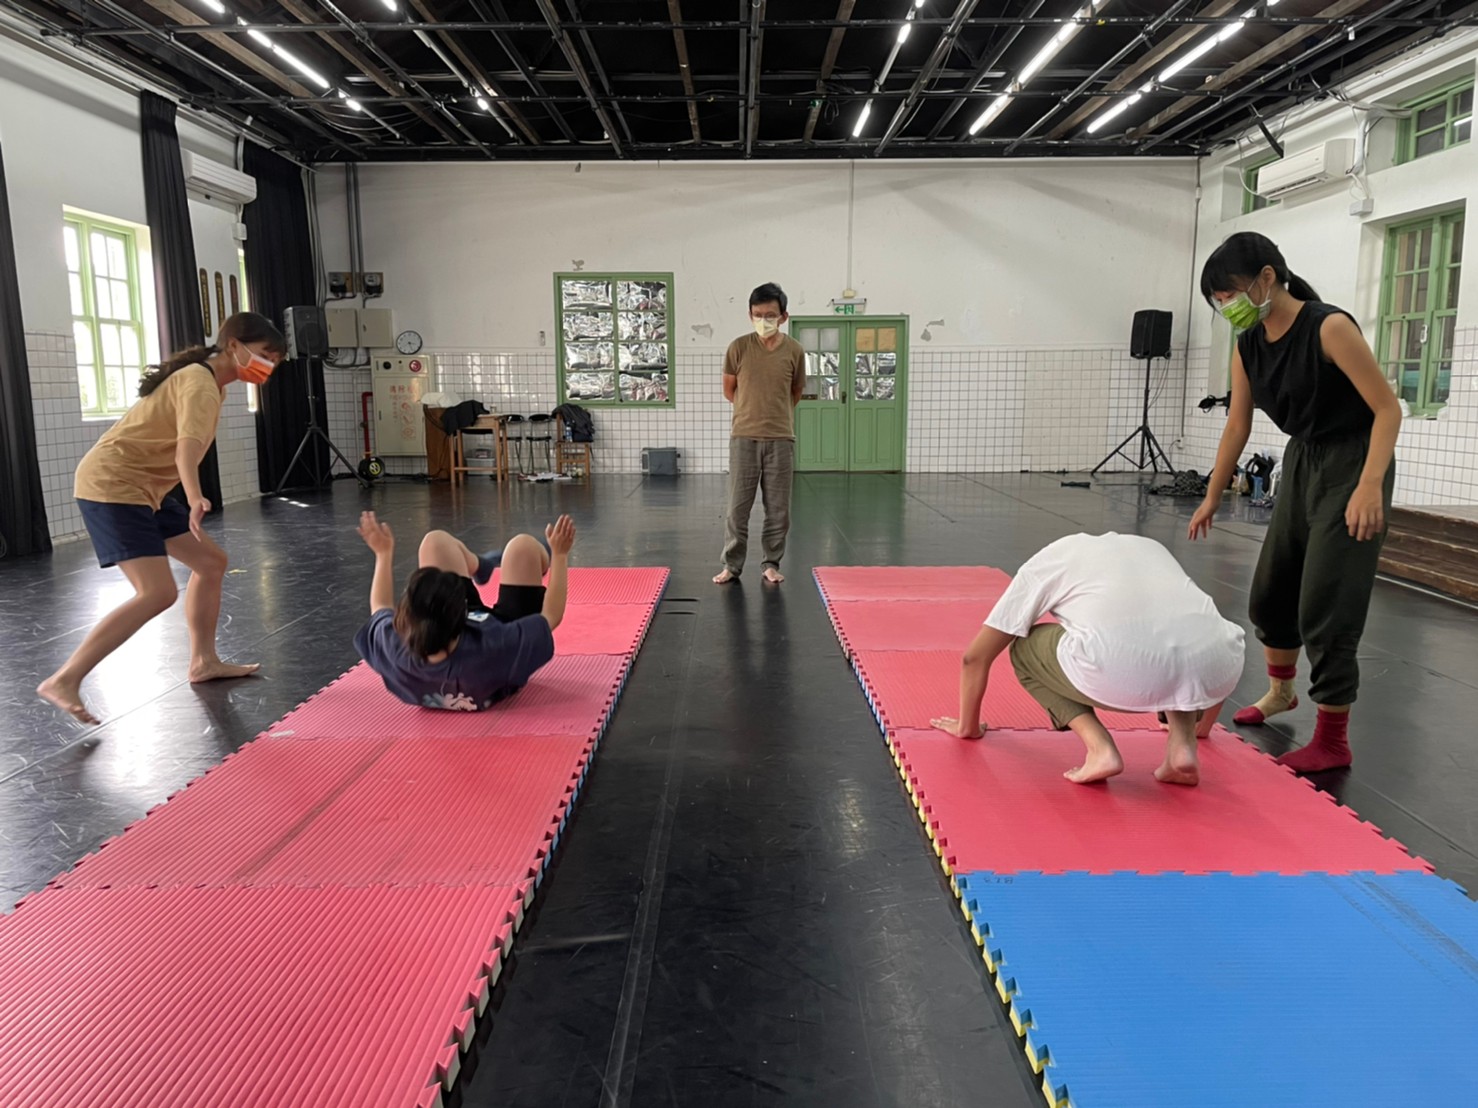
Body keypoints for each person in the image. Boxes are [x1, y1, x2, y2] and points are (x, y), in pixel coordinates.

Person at [1189, 232, 1401, 774]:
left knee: (1328, 600)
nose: (1226, 307)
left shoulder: (1328, 327)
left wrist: (1370, 483)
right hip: (1303, 458)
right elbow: (1237, 424)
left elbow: (1387, 409)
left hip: (1354, 458)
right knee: (1271, 590)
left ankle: (1333, 738)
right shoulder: (1248, 345)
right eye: (1218, 301)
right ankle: (1281, 693)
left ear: (1267, 278)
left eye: (1229, 294)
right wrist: (1212, 494)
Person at [37, 312, 285, 724]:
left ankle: (203, 661)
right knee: (157, 592)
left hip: (144, 489)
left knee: (211, 563)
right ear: (233, 346)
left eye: (274, 361)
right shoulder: (200, 383)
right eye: (265, 355)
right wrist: (194, 496)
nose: (268, 366)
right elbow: (186, 449)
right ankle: (64, 679)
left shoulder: (210, 384)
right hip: (113, 485)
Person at [931, 533, 1244, 787]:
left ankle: (1099, 748)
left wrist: (968, 727)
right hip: (1221, 661)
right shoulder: (1151, 547)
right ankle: (1183, 746)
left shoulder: (1048, 562)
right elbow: (1200, 641)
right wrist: (1202, 727)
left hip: (1124, 671)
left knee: (1023, 648)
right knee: (1180, 634)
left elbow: (976, 657)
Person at [354, 512, 573, 711]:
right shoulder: (499, 647)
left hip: (459, 639)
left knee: (434, 542)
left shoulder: (398, 648)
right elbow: (551, 616)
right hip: (498, 640)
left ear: (406, 618)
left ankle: (480, 566)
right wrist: (560, 555)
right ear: (463, 614)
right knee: (522, 547)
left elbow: (379, 606)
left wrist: (383, 554)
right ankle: (507, 561)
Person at [714, 282, 806, 586]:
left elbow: (795, 392)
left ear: (783, 316)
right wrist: (750, 411)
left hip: (781, 438)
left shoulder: (794, 351)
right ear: (750, 315)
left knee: (778, 510)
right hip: (744, 437)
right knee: (737, 508)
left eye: (770, 315)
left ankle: (771, 563)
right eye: (757, 315)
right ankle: (732, 565)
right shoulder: (738, 347)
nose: (763, 320)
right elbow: (730, 390)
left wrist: (775, 415)